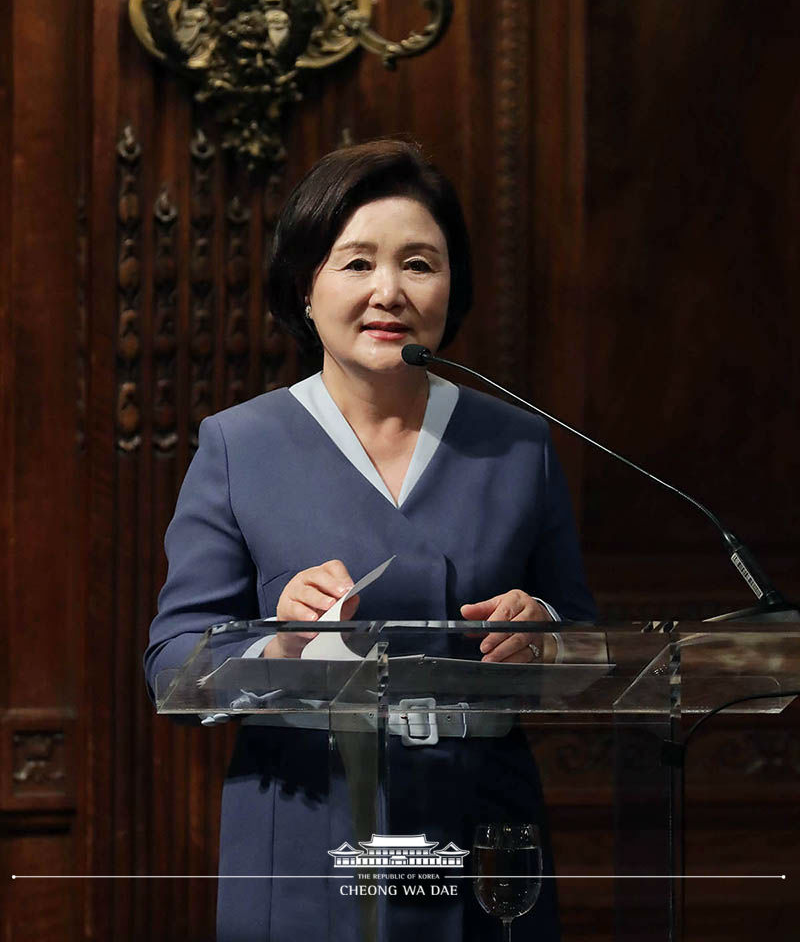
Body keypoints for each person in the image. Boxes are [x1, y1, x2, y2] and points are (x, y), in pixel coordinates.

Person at [145, 138, 596, 941]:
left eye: (419, 263)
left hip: (478, 828)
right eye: (356, 263)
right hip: (304, 822)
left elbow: (589, 649)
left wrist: (546, 638)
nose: (388, 290)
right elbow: (172, 668)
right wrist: (274, 643)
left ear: (450, 289)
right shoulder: (239, 446)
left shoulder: (519, 445)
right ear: (305, 287)